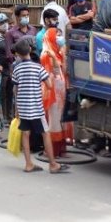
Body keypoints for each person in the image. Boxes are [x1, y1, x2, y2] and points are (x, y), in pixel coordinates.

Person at [12, 39, 69, 174]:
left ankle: (28, 164)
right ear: (30, 51)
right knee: (45, 133)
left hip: (23, 108)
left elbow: (15, 89)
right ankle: (53, 164)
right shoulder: (38, 68)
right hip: (36, 108)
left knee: (26, 134)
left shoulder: (17, 68)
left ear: (18, 54)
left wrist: (16, 110)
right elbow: (49, 85)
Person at [39, 14, 71, 158]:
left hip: (61, 90)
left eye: (60, 35)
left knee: (60, 118)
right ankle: (53, 150)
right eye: (57, 35)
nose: (60, 38)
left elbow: (64, 71)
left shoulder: (58, 53)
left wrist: (63, 56)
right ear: (51, 37)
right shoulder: (47, 54)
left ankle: (61, 147)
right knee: (53, 119)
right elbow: (49, 73)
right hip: (52, 90)